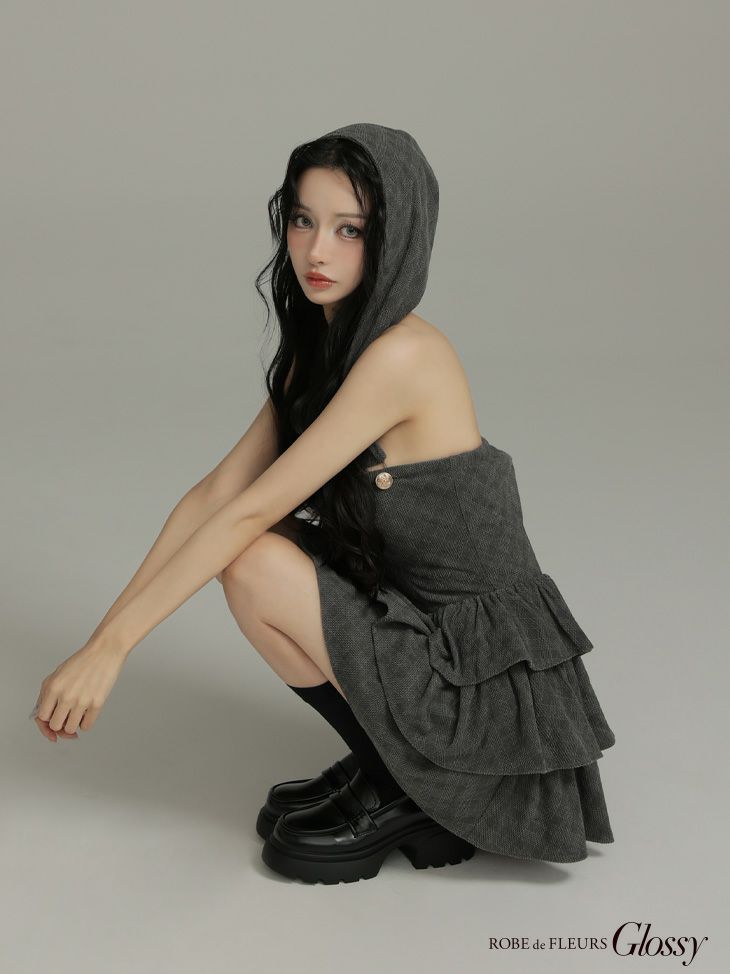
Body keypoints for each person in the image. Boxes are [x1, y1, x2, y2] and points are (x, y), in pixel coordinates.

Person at [30, 122, 616, 884]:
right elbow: (215, 494)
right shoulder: (324, 349)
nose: (316, 251)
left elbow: (242, 517)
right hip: (423, 635)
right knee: (251, 546)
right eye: (304, 220)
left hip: (483, 699)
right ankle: (388, 766)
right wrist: (100, 639)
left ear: (397, 238)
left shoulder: (404, 356)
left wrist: (113, 651)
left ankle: (414, 788)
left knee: (252, 556)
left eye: (350, 230)